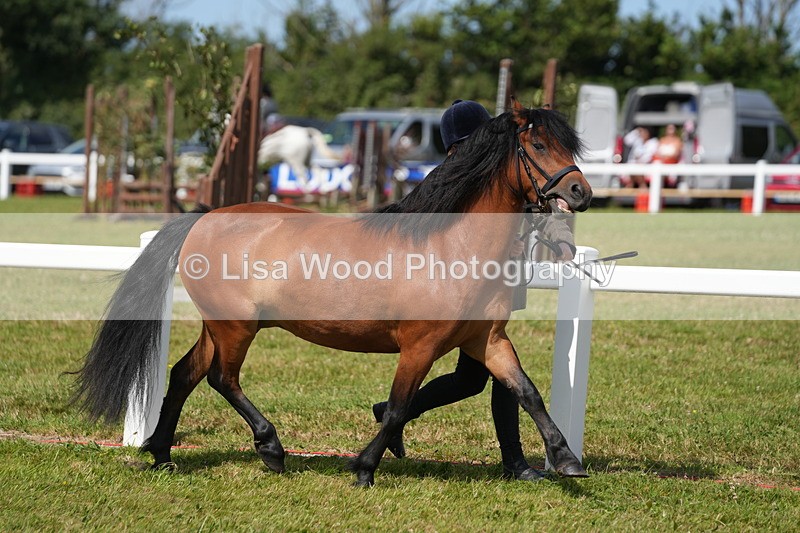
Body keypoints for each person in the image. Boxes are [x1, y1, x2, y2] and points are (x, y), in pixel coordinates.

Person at [372, 99, 571, 482]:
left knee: (472, 380)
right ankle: (514, 464)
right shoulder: (447, 179)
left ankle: (392, 412)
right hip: (455, 293)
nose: (468, 153)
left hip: (496, 287)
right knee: (496, 376)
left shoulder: (504, 173)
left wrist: (561, 241)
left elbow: (542, 205)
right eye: (461, 146)